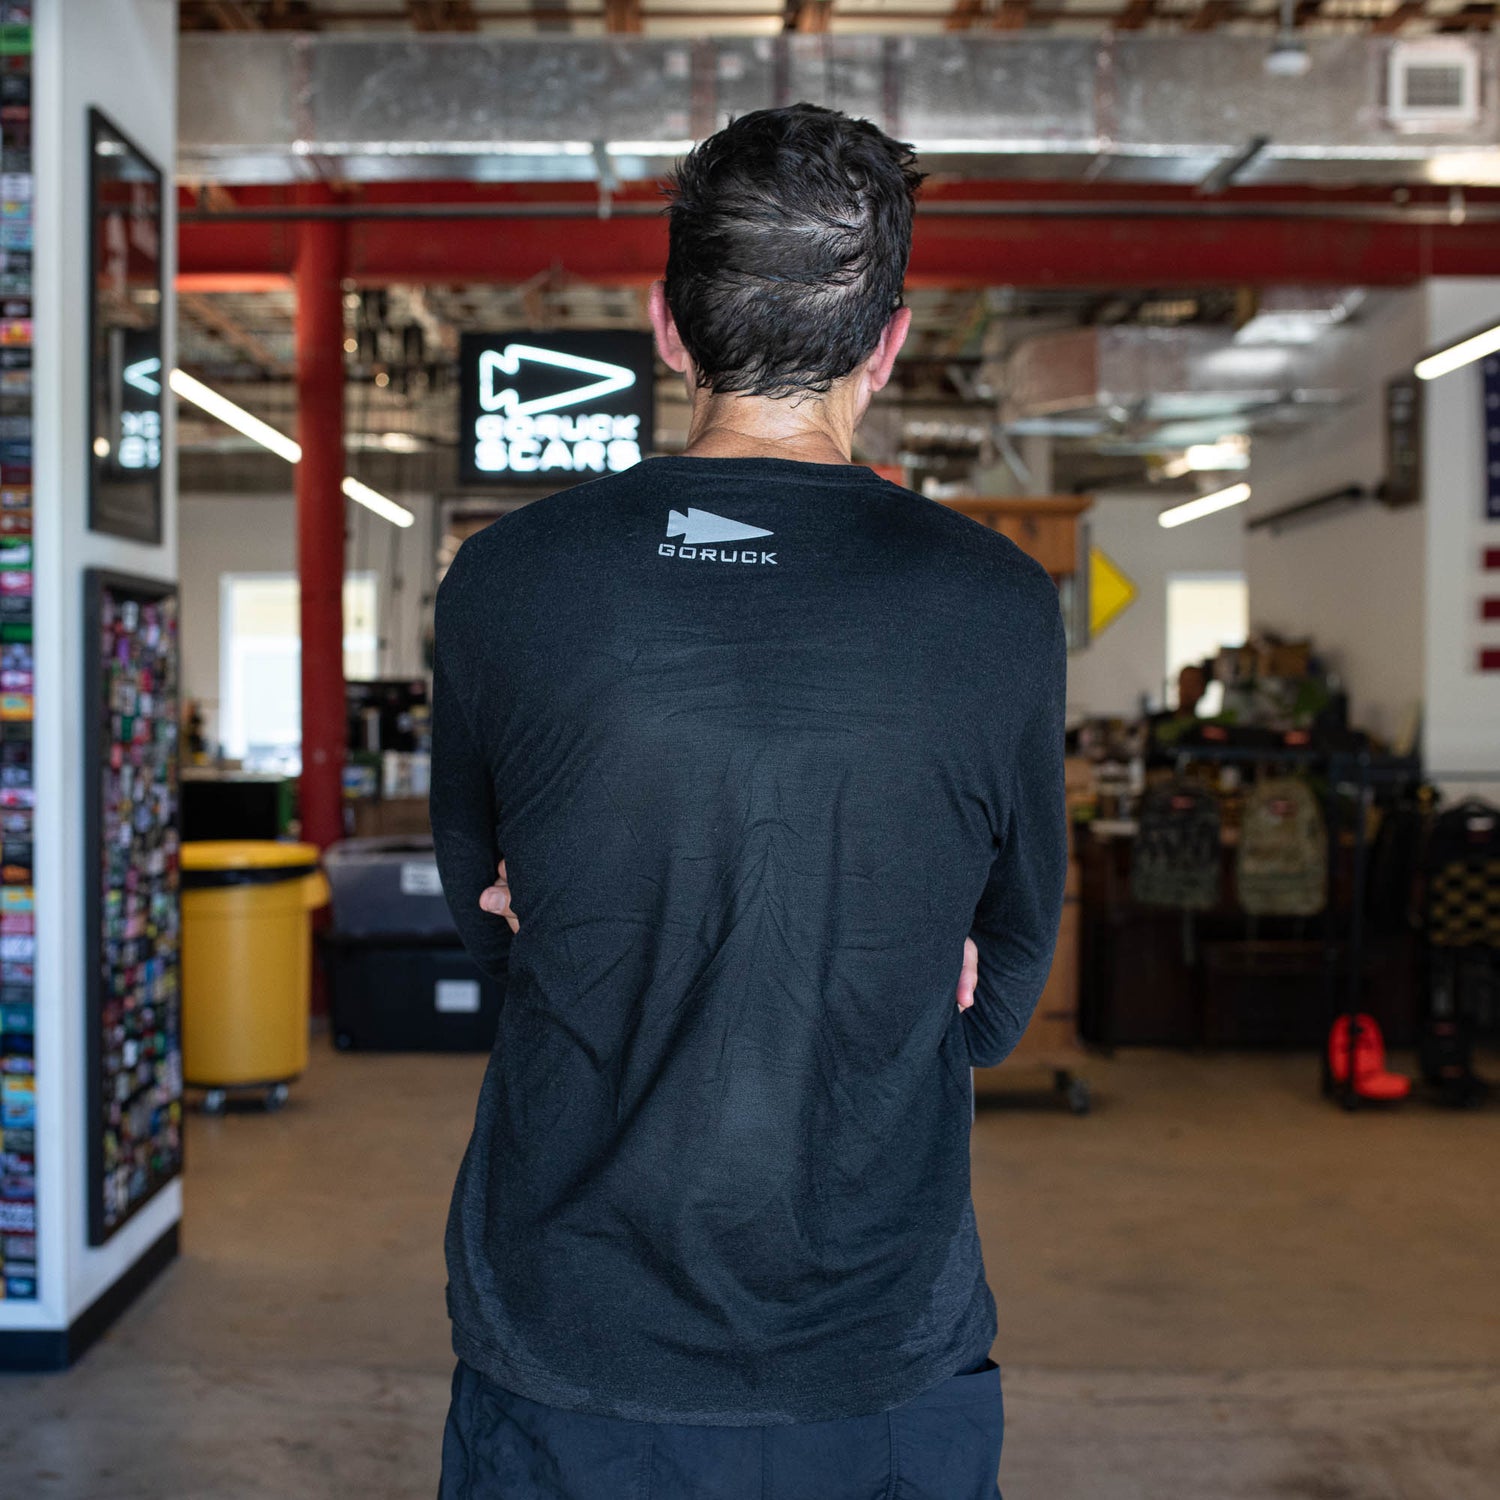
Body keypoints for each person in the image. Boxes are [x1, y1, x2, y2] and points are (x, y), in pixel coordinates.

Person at [429, 103, 1067, 1500]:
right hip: (877, 1341)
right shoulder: (999, 605)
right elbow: (1006, 982)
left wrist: (596, 905)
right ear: (890, 343)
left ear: (666, 326)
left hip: (571, 1338)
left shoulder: (505, 582)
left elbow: (485, 922)